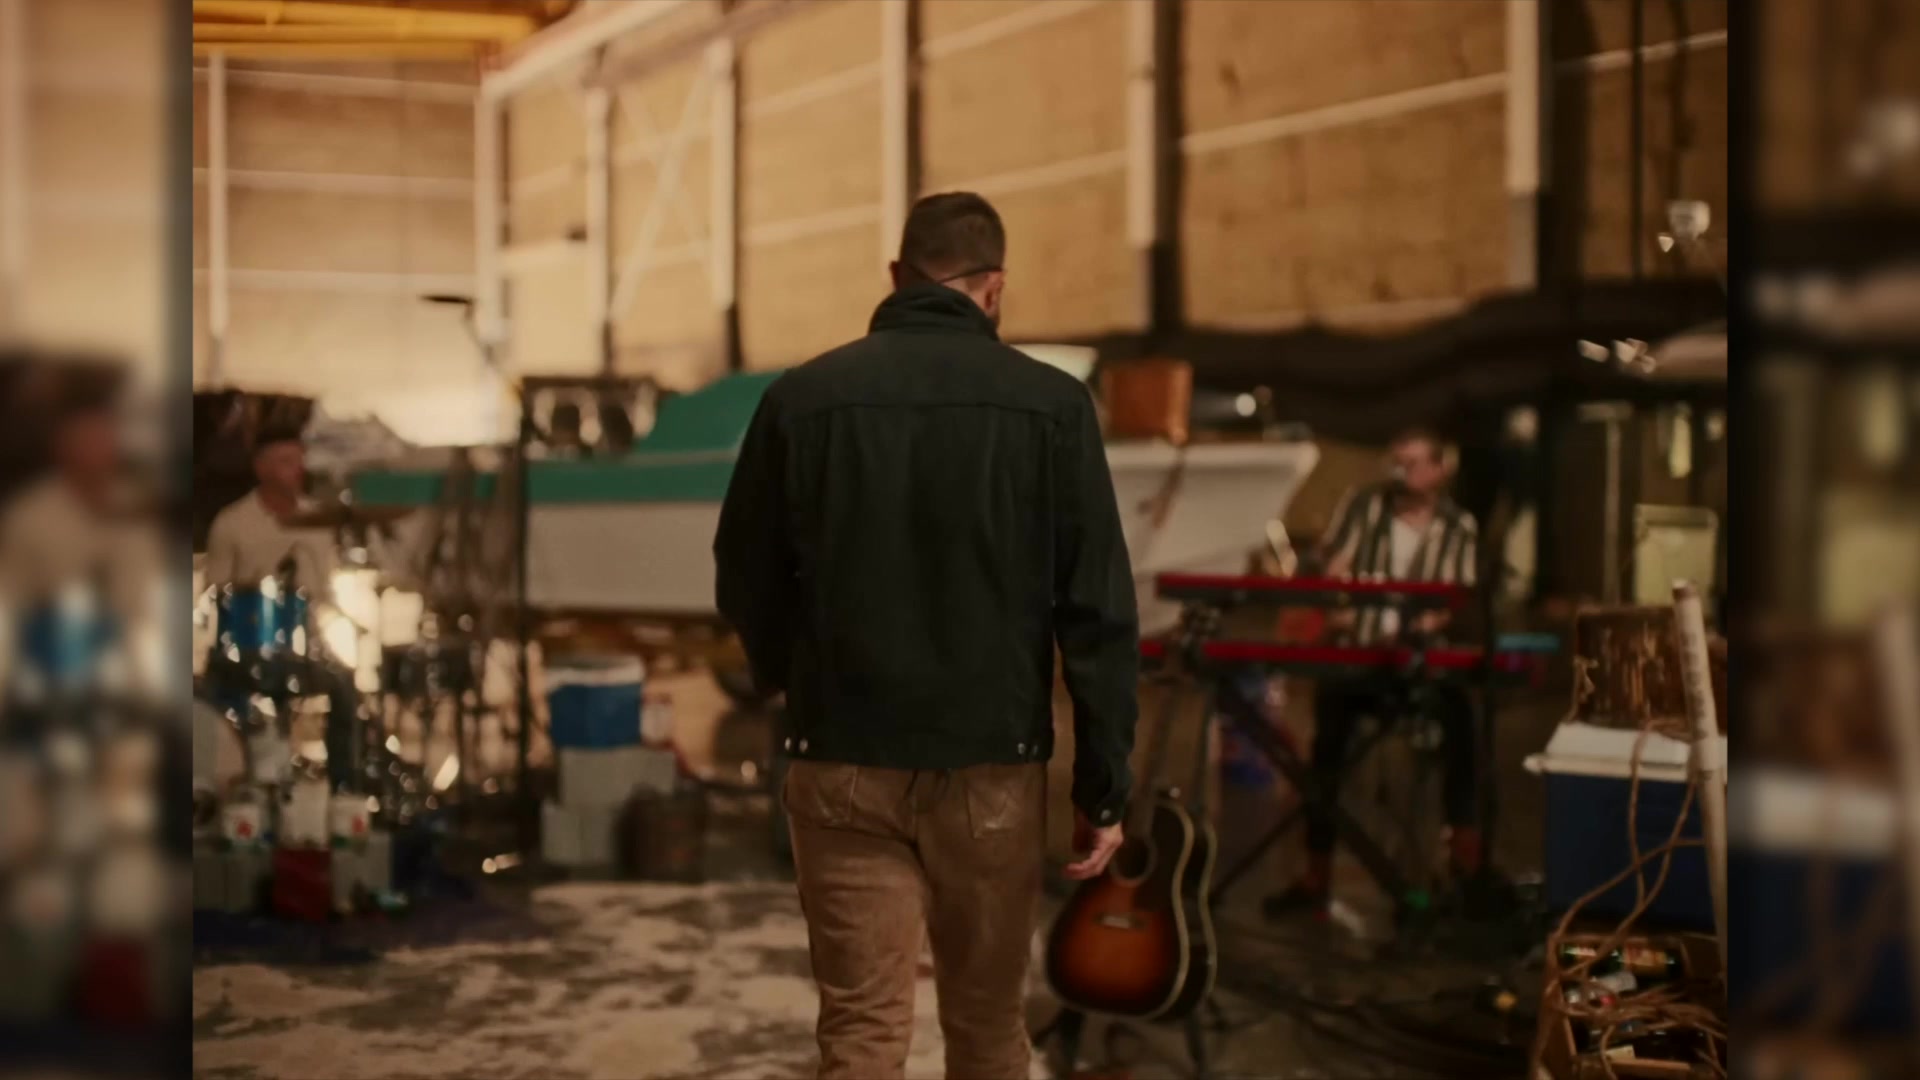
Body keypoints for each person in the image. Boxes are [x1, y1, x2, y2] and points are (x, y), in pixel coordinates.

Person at [714, 191, 1139, 1080]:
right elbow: (1097, 609)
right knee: (986, 1028)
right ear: (995, 289)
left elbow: (743, 571)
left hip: (839, 757)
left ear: (896, 276)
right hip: (992, 770)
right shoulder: (1052, 406)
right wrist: (1102, 787)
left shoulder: (802, 398)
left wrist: (789, 681)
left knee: (862, 1032)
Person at [1264, 425, 1486, 921]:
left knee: (1464, 726)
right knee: (1328, 741)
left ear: (1440, 468)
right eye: (1397, 462)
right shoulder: (1365, 506)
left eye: (1414, 463)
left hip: (1421, 658)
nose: (1403, 473)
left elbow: (1456, 598)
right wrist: (1336, 599)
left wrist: (1420, 626)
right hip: (1361, 654)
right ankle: (1316, 874)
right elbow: (1335, 565)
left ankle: (1465, 862)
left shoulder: (1458, 526)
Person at [203, 429, 360, 791]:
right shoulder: (232, 523)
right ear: (262, 468)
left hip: (307, 648)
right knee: (220, 688)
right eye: (287, 461)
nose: (298, 469)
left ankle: (343, 788)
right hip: (248, 648)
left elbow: (323, 595)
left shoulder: (317, 522)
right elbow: (216, 594)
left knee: (344, 686)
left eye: (300, 460)